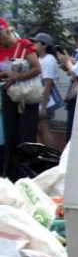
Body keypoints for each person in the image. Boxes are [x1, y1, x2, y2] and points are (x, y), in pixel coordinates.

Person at [0, 18, 41, 181]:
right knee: (11, 136)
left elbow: (37, 68)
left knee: (26, 135)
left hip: (27, 95)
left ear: (7, 32)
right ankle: (10, 175)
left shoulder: (23, 45)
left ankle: (28, 175)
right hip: (9, 94)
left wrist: (17, 77)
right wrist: (5, 75)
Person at [31, 32, 60, 148]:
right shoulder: (40, 59)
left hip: (46, 100)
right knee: (39, 129)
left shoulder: (48, 59)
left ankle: (50, 156)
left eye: (37, 42)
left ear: (44, 45)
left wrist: (43, 107)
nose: (34, 44)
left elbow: (47, 84)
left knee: (44, 128)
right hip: (41, 97)